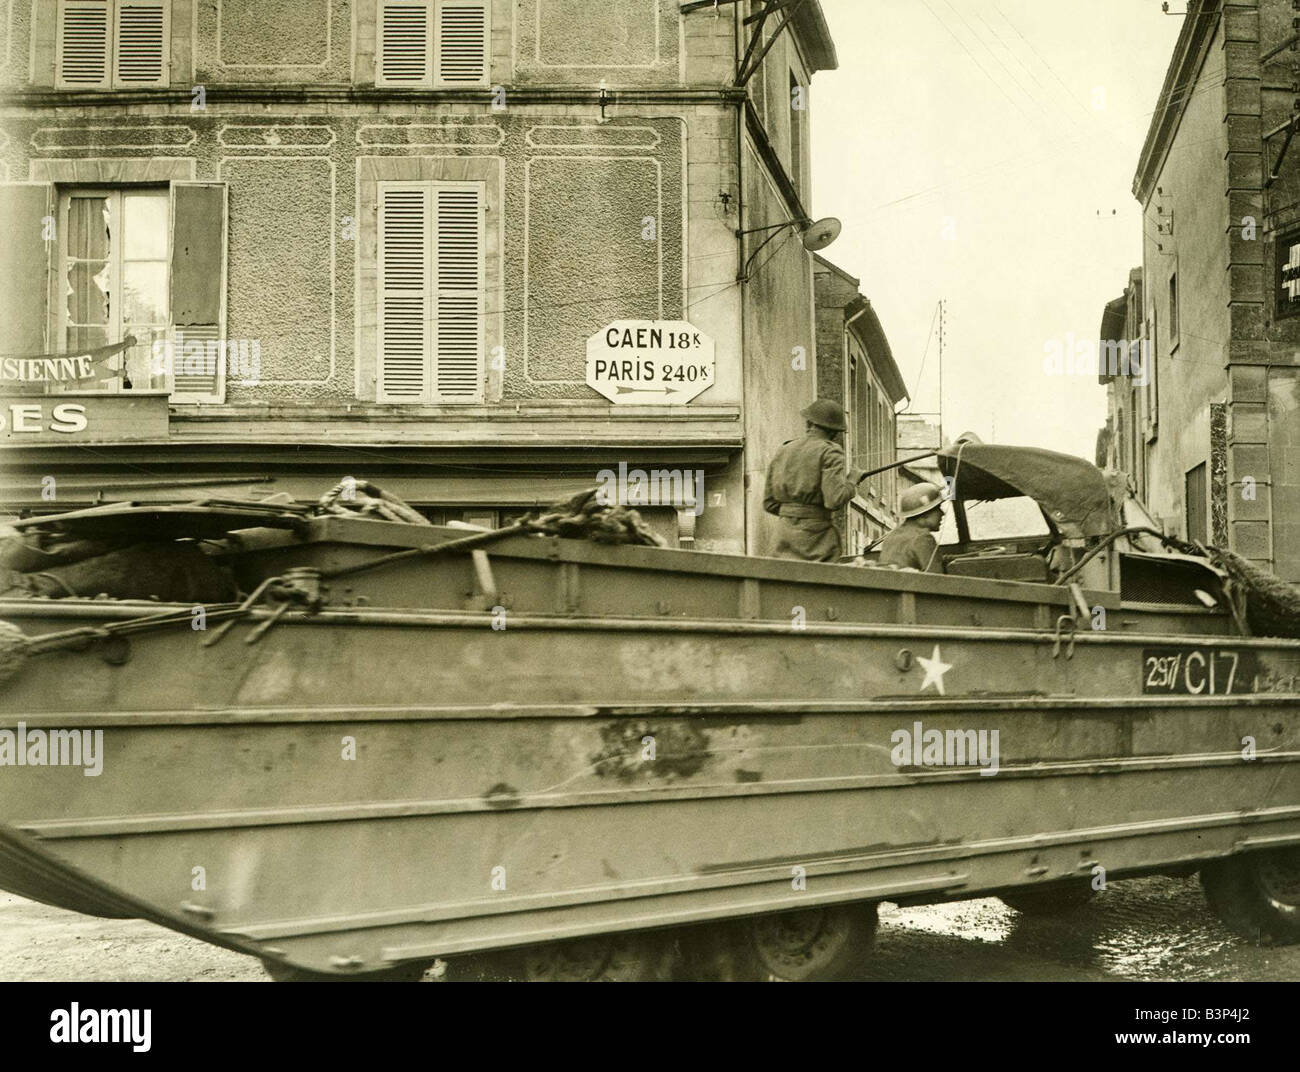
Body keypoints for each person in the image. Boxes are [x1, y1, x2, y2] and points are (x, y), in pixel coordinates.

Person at [763, 399, 866, 562]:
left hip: (781, 541)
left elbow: (769, 503)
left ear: (809, 423)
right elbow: (834, 500)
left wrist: (793, 513)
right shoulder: (830, 452)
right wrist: (852, 482)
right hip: (817, 543)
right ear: (835, 432)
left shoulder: (784, 450)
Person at [877, 482, 947, 573]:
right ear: (924, 514)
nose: (942, 513)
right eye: (938, 509)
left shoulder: (892, 536)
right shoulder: (923, 538)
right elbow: (937, 578)